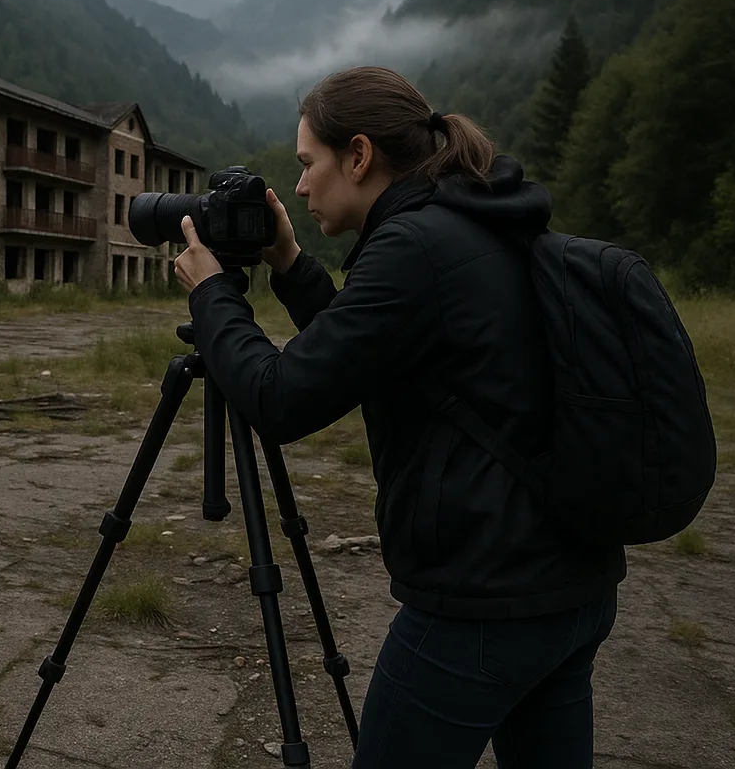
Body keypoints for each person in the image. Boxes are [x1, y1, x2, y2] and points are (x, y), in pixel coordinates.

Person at [172, 66, 626, 768]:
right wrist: (289, 261)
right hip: (571, 585)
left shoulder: (413, 246)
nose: (297, 186)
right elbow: (368, 353)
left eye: (306, 164)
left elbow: (279, 397)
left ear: (358, 155)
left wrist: (211, 296)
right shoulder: (474, 218)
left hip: (481, 604)